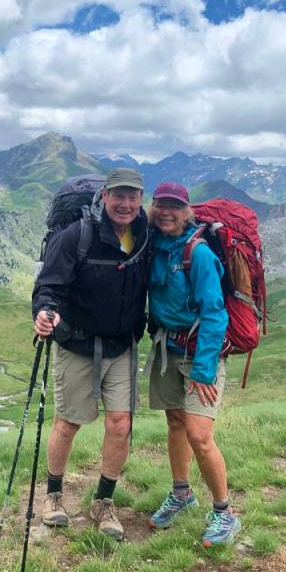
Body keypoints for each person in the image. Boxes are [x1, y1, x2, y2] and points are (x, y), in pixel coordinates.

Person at [31, 167, 150, 540]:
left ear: (140, 200)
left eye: (133, 197)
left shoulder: (146, 233)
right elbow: (48, 283)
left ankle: (103, 500)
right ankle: (53, 496)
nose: (126, 204)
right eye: (119, 196)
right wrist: (43, 311)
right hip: (77, 344)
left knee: (120, 424)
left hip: (122, 344)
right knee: (68, 422)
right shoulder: (77, 235)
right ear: (104, 197)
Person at [144, 181, 241, 546]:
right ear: (153, 209)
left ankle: (224, 513)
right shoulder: (153, 245)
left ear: (187, 211)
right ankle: (182, 494)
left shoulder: (197, 254)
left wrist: (203, 369)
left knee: (200, 436)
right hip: (167, 348)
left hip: (200, 355)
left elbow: (215, 314)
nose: (167, 212)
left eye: (175, 206)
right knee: (175, 423)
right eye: (161, 205)